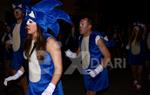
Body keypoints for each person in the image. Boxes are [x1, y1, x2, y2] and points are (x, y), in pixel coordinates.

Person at [3, 0, 72, 95]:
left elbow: (58, 68)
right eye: (27, 20)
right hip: (33, 88)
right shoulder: (29, 40)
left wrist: (50, 89)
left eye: (31, 21)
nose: (27, 23)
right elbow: (28, 62)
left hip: (48, 88)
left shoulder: (50, 42)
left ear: (39, 23)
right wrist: (16, 75)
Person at [66, 16, 111, 95]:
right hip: (86, 71)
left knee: (91, 92)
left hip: (97, 70)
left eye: (82, 24)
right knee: (88, 91)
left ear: (89, 26)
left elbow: (108, 56)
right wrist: (71, 54)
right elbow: (78, 54)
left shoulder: (96, 38)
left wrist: (97, 70)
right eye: (79, 24)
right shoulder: (80, 38)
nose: (80, 26)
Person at [126, 22, 145, 90]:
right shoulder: (131, 38)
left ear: (139, 31)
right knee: (134, 72)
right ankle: (135, 80)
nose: (136, 30)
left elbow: (144, 28)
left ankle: (138, 83)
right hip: (133, 57)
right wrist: (128, 45)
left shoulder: (142, 38)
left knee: (139, 72)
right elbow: (127, 48)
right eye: (134, 29)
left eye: (137, 29)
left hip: (140, 57)